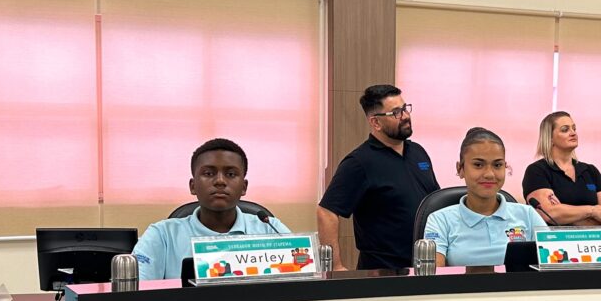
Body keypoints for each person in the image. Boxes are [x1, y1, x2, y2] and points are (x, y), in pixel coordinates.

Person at [317, 84, 439, 270]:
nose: (405, 116)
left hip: (426, 264)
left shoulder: (418, 152)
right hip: (382, 271)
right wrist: (336, 266)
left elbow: (434, 201)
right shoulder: (359, 162)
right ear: (376, 123)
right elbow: (326, 212)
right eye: (396, 113)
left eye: (405, 108)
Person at [133, 138, 289, 281]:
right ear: (193, 186)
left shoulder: (271, 229)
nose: (220, 181)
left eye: (230, 174)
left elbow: (298, 284)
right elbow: (136, 291)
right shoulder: (163, 235)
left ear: (244, 187)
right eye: (208, 173)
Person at [423, 128, 545, 267]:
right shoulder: (439, 220)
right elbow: (433, 276)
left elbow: (554, 267)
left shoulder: (528, 215)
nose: (489, 174)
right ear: (460, 169)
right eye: (478, 165)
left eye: (497, 165)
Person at [522, 111, 601, 226]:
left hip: (592, 237)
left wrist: (564, 214)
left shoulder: (591, 171)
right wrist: (592, 211)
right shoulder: (537, 171)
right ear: (550, 138)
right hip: (553, 237)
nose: (573, 133)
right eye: (565, 130)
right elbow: (549, 214)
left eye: (574, 129)